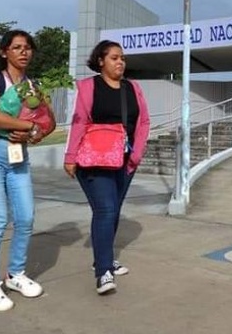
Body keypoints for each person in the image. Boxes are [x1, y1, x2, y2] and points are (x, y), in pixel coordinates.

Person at [0, 30, 56, 312]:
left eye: (28, 47)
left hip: (18, 155)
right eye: (17, 47)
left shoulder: (32, 86)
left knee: (26, 216)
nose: (24, 52)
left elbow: (49, 122)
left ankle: (15, 274)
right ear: (4, 52)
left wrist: (35, 134)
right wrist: (28, 127)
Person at [64, 40, 150, 295]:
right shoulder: (89, 87)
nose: (120, 62)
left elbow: (143, 122)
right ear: (100, 61)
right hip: (94, 160)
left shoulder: (132, 88)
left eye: (122, 58)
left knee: (113, 211)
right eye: (114, 57)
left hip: (124, 161)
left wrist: (136, 154)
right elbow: (79, 122)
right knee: (106, 209)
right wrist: (70, 156)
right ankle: (103, 271)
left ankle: (103, 257)